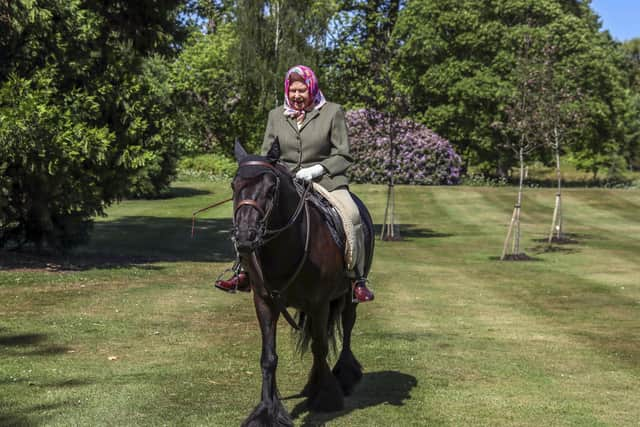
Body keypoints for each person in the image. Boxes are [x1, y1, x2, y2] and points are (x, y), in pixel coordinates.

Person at [216, 65, 374, 303]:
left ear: (312, 89)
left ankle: (356, 278)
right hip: (286, 181)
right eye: (293, 91)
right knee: (250, 216)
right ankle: (243, 271)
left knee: (352, 215)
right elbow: (268, 156)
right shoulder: (275, 115)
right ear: (287, 91)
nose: (297, 96)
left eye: (302, 90)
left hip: (326, 180)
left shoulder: (332, 112)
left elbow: (343, 154)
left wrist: (317, 169)